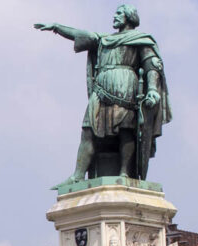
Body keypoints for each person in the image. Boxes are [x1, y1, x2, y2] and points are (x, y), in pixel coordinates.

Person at [35, 4, 171, 184]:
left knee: (126, 131)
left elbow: (151, 65)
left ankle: (124, 173)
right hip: (101, 91)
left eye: (119, 13)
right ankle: (77, 175)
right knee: (88, 130)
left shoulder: (140, 40)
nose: (115, 16)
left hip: (126, 91)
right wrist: (57, 27)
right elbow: (79, 34)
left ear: (129, 17)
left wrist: (152, 89)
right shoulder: (103, 40)